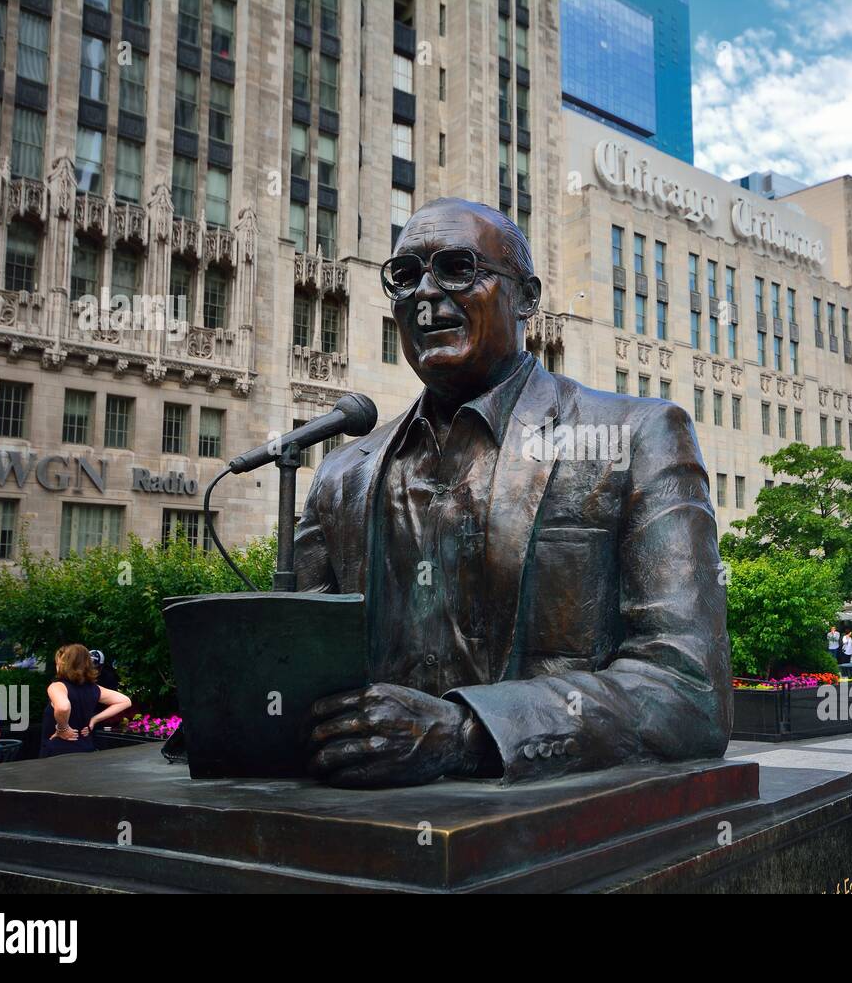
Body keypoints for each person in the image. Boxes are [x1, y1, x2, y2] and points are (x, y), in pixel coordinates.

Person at [293, 198, 731, 788]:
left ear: (527, 298)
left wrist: (465, 732)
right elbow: (298, 667)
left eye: (456, 269)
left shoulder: (637, 435)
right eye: (405, 276)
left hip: (547, 821)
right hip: (364, 825)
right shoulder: (344, 471)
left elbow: (689, 690)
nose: (425, 293)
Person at [39, 644, 132, 758]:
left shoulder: (58, 686)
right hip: (85, 750)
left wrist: (62, 728)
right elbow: (125, 701)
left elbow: (63, 707)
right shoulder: (94, 688)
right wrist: (94, 719)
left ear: (66, 663)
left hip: (58, 753)